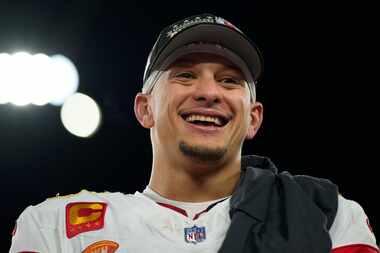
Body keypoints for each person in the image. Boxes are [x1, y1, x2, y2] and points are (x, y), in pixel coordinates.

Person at [9, 13, 378, 253]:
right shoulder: (55, 227)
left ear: (253, 118)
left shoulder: (327, 216)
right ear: (145, 108)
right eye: (184, 75)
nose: (209, 92)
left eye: (229, 81)